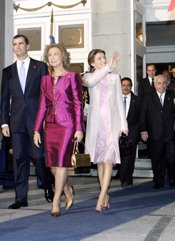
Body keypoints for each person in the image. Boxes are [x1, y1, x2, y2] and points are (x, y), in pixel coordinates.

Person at [0, 34, 54, 209]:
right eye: (14, 44)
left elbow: (47, 95)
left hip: (36, 120)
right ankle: (20, 198)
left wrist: (46, 118)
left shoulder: (40, 67)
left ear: (28, 46)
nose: (18, 47)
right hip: (16, 122)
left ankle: (48, 187)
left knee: (39, 157)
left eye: (21, 43)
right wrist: (4, 122)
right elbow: (4, 98)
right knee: (19, 159)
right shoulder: (7, 71)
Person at [33, 43, 84, 217]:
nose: (52, 57)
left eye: (56, 54)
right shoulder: (45, 80)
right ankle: (68, 189)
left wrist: (79, 127)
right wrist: (37, 129)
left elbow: (78, 104)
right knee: (53, 167)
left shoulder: (72, 77)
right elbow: (42, 106)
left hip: (68, 124)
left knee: (61, 163)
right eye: (50, 55)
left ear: (63, 56)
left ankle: (56, 201)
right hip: (51, 125)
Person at [82, 49, 128, 213]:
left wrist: (124, 125)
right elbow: (93, 81)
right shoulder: (87, 76)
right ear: (92, 63)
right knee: (100, 162)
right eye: (99, 58)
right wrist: (107, 67)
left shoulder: (115, 77)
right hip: (96, 124)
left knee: (108, 159)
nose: (103, 60)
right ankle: (105, 194)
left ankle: (101, 197)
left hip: (112, 123)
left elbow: (118, 102)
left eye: (104, 57)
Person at [140, 74, 175, 189]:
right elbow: (143, 115)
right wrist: (143, 130)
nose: (161, 86)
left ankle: (172, 179)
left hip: (170, 134)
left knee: (172, 158)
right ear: (154, 84)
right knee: (156, 159)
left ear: (167, 84)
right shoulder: (147, 97)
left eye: (164, 83)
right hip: (154, 134)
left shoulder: (174, 95)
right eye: (159, 83)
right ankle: (158, 181)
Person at [117, 77, 142, 188]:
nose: (126, 87)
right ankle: (124, 176)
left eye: (128, 85)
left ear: (131, 86)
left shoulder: (137, 100)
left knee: (130, 156)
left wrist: (140, 132)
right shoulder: (115, 99)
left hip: (132, 132)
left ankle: (126, 178)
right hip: (117, 132)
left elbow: (141, 117)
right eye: (123, 85)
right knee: (121, 156)